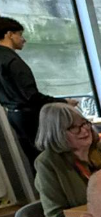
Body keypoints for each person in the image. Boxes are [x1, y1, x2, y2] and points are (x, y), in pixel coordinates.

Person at [0, 16, 74, 166]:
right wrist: (63, 102)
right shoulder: (12, 61)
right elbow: (32, 97)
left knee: (36, 160)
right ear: (9, 34)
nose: (23, 39)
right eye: (20, 34)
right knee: (50, 158)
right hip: (29, 116)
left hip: (14, 116)